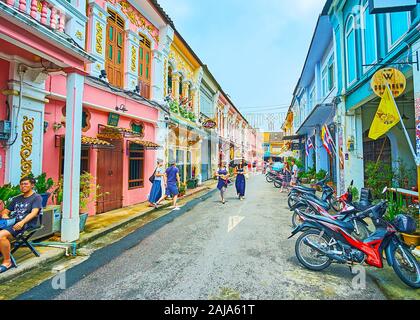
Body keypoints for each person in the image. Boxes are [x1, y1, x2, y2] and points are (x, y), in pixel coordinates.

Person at [0, 176, 43, 273]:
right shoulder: (16, 199)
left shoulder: (36, 197)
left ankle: (7, 262)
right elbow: (5, 210)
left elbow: (34, 212)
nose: (23, 186)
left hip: (26, 224)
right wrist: (5, 214)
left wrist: (22, 222)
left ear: (32, 185)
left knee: (1, 236)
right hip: (12, 222)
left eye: (26, 184)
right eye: (21, 184)